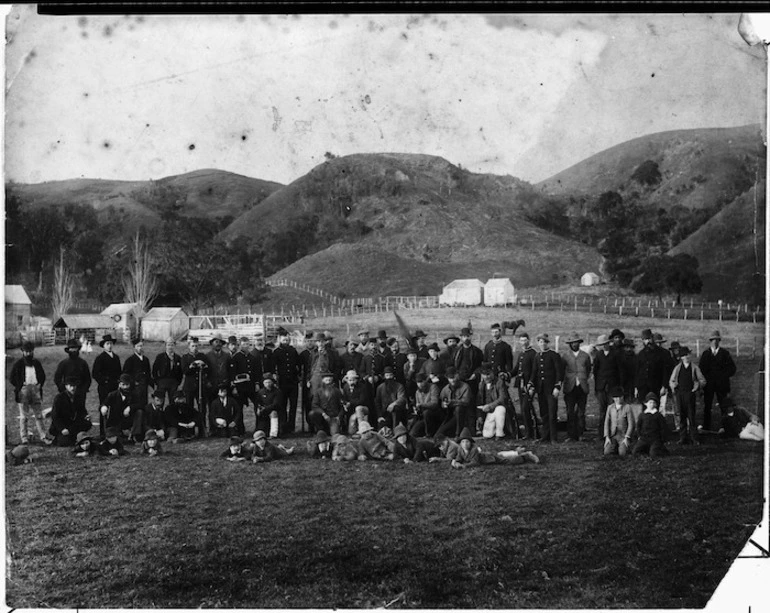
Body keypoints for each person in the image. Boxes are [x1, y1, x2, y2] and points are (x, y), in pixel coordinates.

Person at [9, 341, 49, 444]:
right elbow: (11, 378)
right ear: (23, 352)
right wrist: (20, 386)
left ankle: (43, 436)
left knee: (39, 415)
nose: (28, 354)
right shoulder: (18, 364)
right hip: (24, 390)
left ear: (33, 352)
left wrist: (39, 384)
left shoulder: (36, 363)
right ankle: (24, 437)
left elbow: (42, 376)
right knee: (24, 416)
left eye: (30, 351)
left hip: (35, 389)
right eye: (26, 351)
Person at [698, 330, 737, 431]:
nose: (715, 342)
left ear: (719, 341)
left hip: (722, 385)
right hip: (709, 385)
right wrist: (703, 382)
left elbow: (732, 369)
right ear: (710, 341)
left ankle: (725, 426)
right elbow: (701, 370)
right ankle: (706, 426)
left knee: (724, 405)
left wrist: (723, 376)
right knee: (707, 405)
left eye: (717, 340)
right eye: (713, 340)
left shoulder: (725, 353)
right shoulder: (706, 354)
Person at [528, 333, 563, 444]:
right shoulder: (537, 356)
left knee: (552, 413)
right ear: (538, 343)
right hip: (541, 389)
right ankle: (545, 436)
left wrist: (557, 386)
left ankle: (553, 438)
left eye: (544, 342)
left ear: (548, 343)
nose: (542, 344)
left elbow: (559, 372)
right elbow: (534, 372)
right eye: (540, 342)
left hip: (551, 389)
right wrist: (531, 384)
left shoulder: (554, 355)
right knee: (544, 413)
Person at [669, 346, 707, 445]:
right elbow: (671, 381)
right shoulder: (677, 368)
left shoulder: (694, 368)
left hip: (690, 394)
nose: (686, 357)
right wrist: (674, 386)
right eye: (684, 355)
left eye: (687, 354)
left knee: (691, 416)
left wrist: (697, 386)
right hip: (680, 394)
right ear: (681, 357)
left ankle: (694, 438)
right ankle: (683, 438)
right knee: (681, 416)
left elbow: (702, 380)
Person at [561, 332, 591, 442]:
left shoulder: (585, 356)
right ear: (570, 344)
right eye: (572, 343)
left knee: (581, 412)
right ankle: (571, 435)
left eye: (576, 342)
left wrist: (582, 378)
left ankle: (580, 434)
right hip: (570, 387)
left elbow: (588, 370)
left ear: (579, 343)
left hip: (582, 387)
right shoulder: (565, 356)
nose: (574, 344)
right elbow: (562, 370)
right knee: (570, 411)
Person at [592, 334, 623, 438]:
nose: (604, 346)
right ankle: (602, 434)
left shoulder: (616, 354)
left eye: (605, 344)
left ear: (609, 343)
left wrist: (619, 387)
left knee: (613, 410)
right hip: (601, 387)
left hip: (612, 387)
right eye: (601, 345)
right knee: (602, 411)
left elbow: (620, 371)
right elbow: (595, 371)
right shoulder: (599, 355)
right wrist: (597, 387)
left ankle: (613, 433)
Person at [91, 334, 122, 438]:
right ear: (103, 346)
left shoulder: (116, 358)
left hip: (115, 387)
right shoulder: (100, 358)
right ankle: (103, 432)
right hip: (104, 387)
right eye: (107, 344)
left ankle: (113, 431)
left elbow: (119, 372)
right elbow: (95, 373)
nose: (109, 346)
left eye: (111, 344)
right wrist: (104, 381)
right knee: (104, 408)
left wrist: (118, 382)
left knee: (114, 408)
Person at [53, 338, 92, 416]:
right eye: (72, 348)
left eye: (75, 348)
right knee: (66, 412)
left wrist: (83, 390)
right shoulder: (63, 363)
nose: (73, 350)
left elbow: (88, 379)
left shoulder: (83, 363)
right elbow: (57, 378)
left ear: (78, 349)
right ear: (68, 350)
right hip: (67, 392)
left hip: (80, 393)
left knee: (80, 412)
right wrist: (63, 390)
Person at [273, 331, 301, 434]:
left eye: (287, 340)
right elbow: (274, 367)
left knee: (293, 405)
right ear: (280, 340)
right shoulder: (276, 352)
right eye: (284, 340)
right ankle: (283, 426)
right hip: (282, 383)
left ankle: (291, 427)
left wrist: (299, 376)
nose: (286, 341)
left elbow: (298, 364)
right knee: (282, 405)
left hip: (293, 382)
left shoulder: (293, 351)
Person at [180, 336, 210, 436]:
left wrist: (203, 366)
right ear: (189, 347)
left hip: (200, 386)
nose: (195, 348)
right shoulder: (185, 357)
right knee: (189, 408)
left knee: (202, 408)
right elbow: (185, 371)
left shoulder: (202, 356)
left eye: (196, 346)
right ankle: (190, 431)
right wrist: (192, 366)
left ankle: (202, 430)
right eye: (193, 346)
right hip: (189, 387)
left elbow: (207, 368)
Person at [50, 376, 92, 446]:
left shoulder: (78, 396)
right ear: (66, 386)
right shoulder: (59, 398)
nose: (73, 388)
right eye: (70, 386)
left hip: (73, 424)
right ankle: (60, 437)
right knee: (65, 442)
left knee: (87, 424)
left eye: (74, 386)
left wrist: (86, 416)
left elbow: (82, 410)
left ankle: (76, 436)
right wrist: (62, 429)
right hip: (63, 425)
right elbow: (55, 416)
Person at [512, 332, 539, 440]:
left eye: (525, 340)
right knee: (524, 409)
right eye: (521, 340)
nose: (523, 342)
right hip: (521, 384)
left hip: (529, 385)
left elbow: (535, 371)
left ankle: (532, 432)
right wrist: (508, 374)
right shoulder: (521, 353)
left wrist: (531, 384)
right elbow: (516, 370)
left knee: (526, 407)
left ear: (529, 341)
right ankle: (529, 432)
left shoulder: (533, 353)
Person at [437, 366, 474, 438]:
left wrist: (452, 402)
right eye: (450, 378)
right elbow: (441, 401)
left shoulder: (465, 387)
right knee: (439, 434)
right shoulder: (445, 389)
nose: (452, 380)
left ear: (458, 375)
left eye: (454, 377)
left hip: (464, 415)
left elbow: (466, 402)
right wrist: (444, 405)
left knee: (458, 408)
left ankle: (458, 433)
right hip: (450, 415)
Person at [476, 368, 511, 440]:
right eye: (484, 375)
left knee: (500, 409)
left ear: (492, 373)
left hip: (498, 409)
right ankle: (493, 431)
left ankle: (500, 433)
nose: (486, 377)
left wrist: (490, 406)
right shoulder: (481, 385)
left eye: (488, 374)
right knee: (487, 435)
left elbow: (502, 399)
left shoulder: (499, 382)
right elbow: (479, 402)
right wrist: (479, 416)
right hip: (488, 412)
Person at [632, 393, 670, 458]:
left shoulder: (658, 415)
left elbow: (663, 428)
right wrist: (639, 436)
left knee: (654, 454)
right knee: (635, 451)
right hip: (644, 438)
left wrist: (662, 439)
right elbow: (638, 426)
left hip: (655, 439)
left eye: (653, 403)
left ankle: (660, 449)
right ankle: (646, 450)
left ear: (655, 404)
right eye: (650, 402)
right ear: (646, 403)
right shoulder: (642, 415)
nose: (651, 404)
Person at [634, 329, 666, 403]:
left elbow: (664, 370)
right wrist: (636, 387)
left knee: (655, 407)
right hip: (643, 387)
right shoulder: (640, 354)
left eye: (648, 339)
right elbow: (637, 372)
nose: (647, 341)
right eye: (645, 339)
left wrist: (664, 386)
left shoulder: (660, 353)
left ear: (652, 338)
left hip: (656, 386)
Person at [409, 373, 443, 437]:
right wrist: (417, 409)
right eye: (418, 382)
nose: (420, 384)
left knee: (427, 413)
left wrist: (422, 405)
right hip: (423, 417)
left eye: (421, 381)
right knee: (412, 433)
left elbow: (435, 403)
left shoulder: (433, 387)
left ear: (425, 380)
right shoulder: (417, 392)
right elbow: (418, 406)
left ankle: (429, 435)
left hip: (435, 414)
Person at [603, 386, 634, 457]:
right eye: (616, 397)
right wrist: (607, 437)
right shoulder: (610, 408)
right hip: (613, 435)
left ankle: (622, 447)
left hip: (623, 435)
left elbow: (631, 424)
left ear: (623, 397)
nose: (618, 399)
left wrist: (627, 437)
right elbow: (606, 423)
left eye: (620, 397)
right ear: (613, 398)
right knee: (607, 452)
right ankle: (614, 447)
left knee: (623, 453)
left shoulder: (627, 407)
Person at [340, 369, 373, 435]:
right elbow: (344, 398)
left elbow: (362, 400)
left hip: (363, 408)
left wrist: (350, 403)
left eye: (353, 380)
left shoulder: (362, 387)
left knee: (358, 408)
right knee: (351, 432)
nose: (352, 382)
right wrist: (345, 404)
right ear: (347, 380)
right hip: (352, 410)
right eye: (350, 380)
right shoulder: (345, 387)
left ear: (357, 380)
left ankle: (362, 429)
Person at [152, 338, 183, 406]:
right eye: (168, 345)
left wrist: (178, 382)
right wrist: (157, 380)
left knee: (173, 401)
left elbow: (180, 371)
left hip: (173, 382)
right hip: (162, 381)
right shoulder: (160, 357)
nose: (170, 347)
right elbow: (154, 369)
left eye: (172, 345)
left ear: (174, 346)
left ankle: (171, 415)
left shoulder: (177, 358)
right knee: (160, 400)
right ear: (165, 346)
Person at [255, 373, 284, 438]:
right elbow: (258, 402)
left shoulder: (277, 392)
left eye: (269, 382)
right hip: (264, 411)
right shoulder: (260, 392)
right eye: (266, 382)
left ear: (272, 382)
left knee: (274, 413)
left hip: (275, 410)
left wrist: (265, 408)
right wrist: (259, 409)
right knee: (261, 430)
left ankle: (273, 434)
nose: (267, 384)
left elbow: (276, 404)